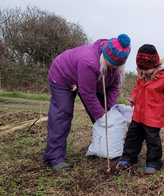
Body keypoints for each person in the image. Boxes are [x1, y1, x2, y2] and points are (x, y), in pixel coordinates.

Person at [43, 34, 131, 170]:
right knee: (63, 114)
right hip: (62, 76)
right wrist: (102, 117)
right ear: (105, 58)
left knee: (104, 112)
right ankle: (54, 157)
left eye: (118, 66)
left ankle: (103, 148)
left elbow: (112, 89)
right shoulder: (89, 61)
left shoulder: (116, 67)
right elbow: (88, 94)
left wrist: (110, 111)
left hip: (91, 81)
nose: (114, 68)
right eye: (112, 65)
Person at [116, 44, 164, 175]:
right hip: (139, 114)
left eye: (146, 69)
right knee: (132, 136)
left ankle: (154, 163)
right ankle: (128, 157)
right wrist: (133, 98)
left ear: (155, 64)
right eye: (141, 69)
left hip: (154, 116)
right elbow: (137, 89)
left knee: (152, 140)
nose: (143, 72)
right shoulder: (142, 75)